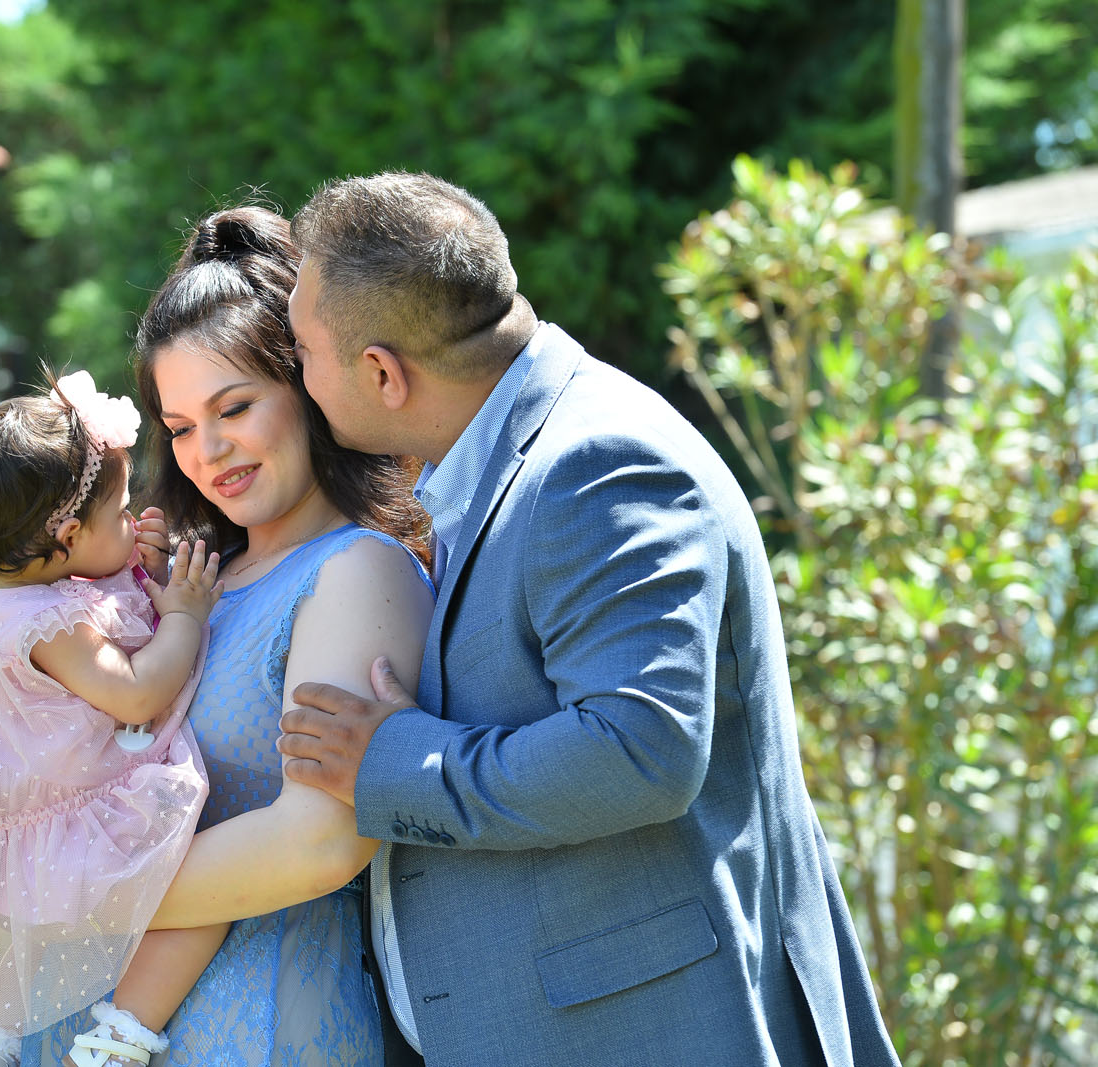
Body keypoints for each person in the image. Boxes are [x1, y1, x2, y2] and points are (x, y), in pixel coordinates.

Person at [276, 172, 902, 1067]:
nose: (298, 376)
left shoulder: (595, 465)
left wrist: (391, 761)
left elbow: (639, 751)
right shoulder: (499, 460)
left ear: (383, 371)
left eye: (303, 350)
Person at [21, 206, 435, 1067]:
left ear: (309, 385)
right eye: (178, 427)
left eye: (234, 407)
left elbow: (320, 838)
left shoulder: (357, 569)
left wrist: (72, 894)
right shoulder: (193, 583)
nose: (207, 450)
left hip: (257, 1029)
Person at [0, 372, 233, 1067]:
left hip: (28, 824)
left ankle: (0, 1043)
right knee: (202, 911)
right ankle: (117, 1041)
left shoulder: (10, 593)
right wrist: (186, 615)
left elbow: (102, 593)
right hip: (82, 811)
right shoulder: (54, 626)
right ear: (68, 533)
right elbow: (135, 692)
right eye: (122, 512)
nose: (134, 521)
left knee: (28, 939)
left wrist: (135, 557)